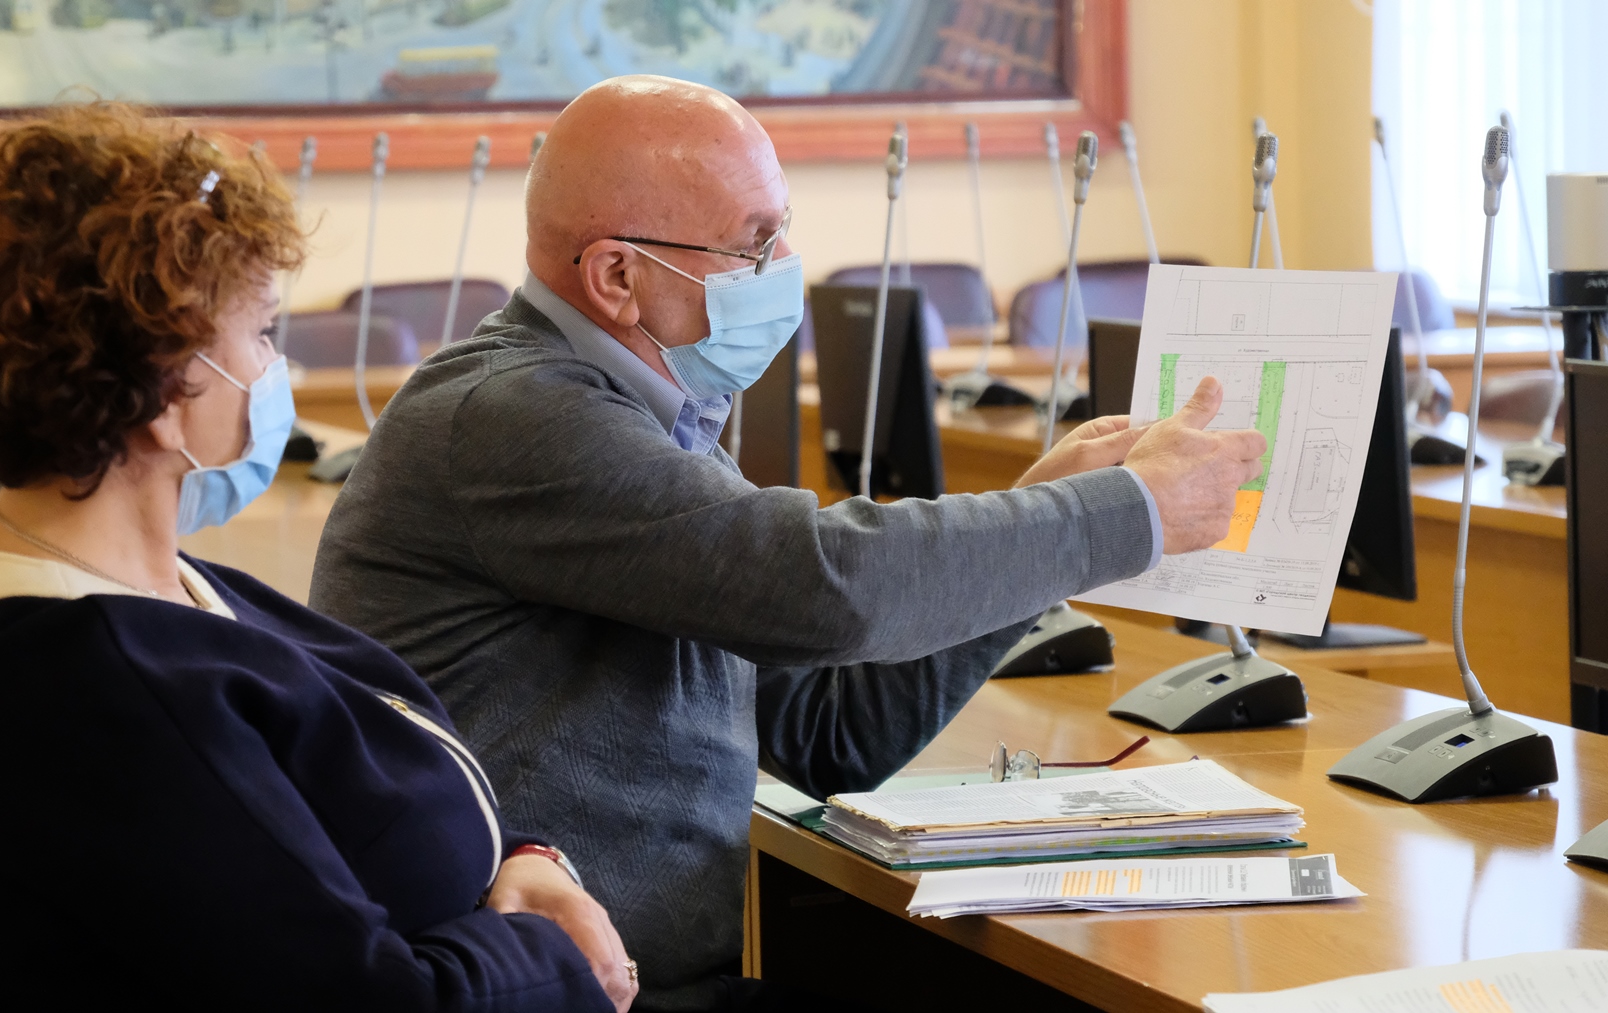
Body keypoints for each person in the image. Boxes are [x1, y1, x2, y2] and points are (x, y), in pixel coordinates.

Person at [310, 76, 1264, 1011]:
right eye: (754, 243)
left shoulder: (659, 413)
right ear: (616, 277)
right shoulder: (516, 415)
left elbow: (833, 731)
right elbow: (831, 584)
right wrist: (1122, 513)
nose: (786, 265)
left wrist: (1041, 518)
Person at [0, 103, 635, 1013]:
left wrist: (525, 858)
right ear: (168, 388)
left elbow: (384, 753)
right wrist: (549, 948)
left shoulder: (125, 587)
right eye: (264, 333)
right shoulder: (111, 692)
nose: (276, 369)